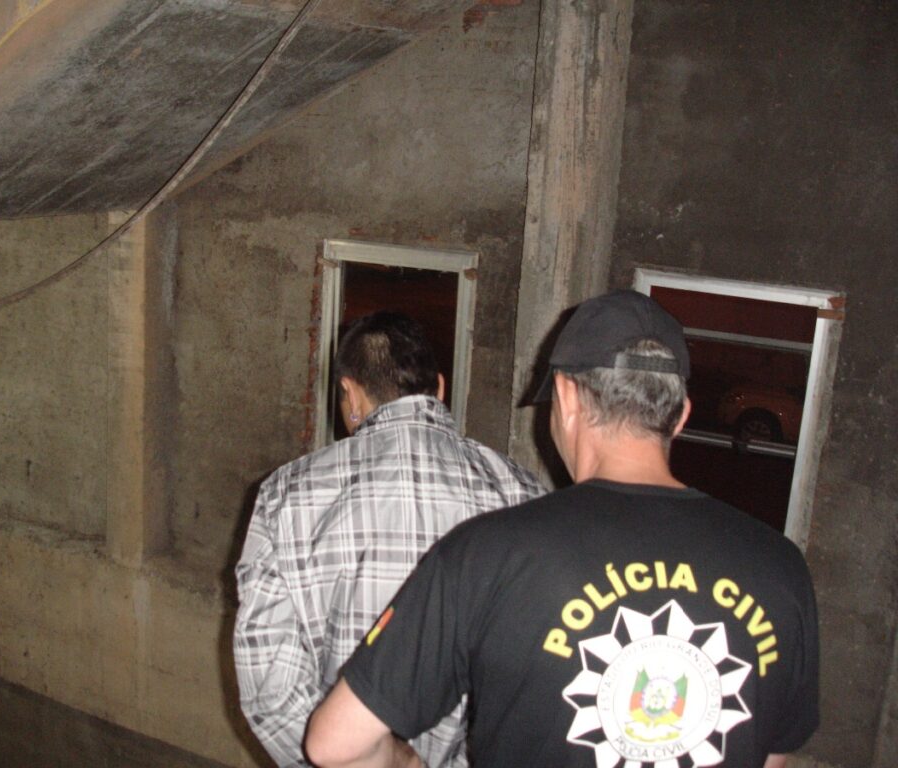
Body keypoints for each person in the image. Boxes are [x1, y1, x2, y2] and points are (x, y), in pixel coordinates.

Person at [307, 290, 819, 768]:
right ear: (681, 416)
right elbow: (774, 757)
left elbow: (334, 744)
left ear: (566, 396)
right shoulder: (780, 566)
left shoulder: (487, 553)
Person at [233, 311, 546, 768]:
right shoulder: (521, 493)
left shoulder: (285, 494)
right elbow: (534, 678)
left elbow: (271, 692)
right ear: (440, 389)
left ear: (350, 393)